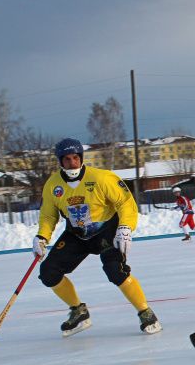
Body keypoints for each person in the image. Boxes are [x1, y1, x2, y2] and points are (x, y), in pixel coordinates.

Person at [33, 138, 161, 337]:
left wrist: (125, 227)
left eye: (75, 158)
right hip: (76, 233)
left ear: (81, 158)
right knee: (48, 272)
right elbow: (49, 215)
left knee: (115, 271)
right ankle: (78, 312)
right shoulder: (53, 186)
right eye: (66, 159)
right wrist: (42, 236)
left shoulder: (102, 178)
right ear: (60, 161)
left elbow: (126, 203)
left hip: (107, 230)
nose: (72, 163)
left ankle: (146, 313)